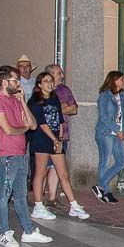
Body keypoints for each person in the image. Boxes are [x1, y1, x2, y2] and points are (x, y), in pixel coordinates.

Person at [0, 65, 53, 247]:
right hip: (5, 154)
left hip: (21, 153)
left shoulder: (16, 100)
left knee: (21, 195)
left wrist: (22, 100)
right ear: (4, 82)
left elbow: (32, 125)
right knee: (4, 194)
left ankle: (28, 230)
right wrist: (23, 128)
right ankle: (4, 233)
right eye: (15, 80)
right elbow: (7, 129)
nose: (18, 83)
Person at [27, 72, 89, 221]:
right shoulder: (35, 101)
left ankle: (74, 205)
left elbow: (60, 120)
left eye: (51, 81)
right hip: (41, 140)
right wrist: (54, 139)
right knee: (41, 173)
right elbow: (41, 123)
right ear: (39, 85)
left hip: (55, 140)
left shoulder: (55, 98)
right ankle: (38, 205)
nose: (50, 83)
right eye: (46, 81)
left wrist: (60, 138)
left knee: (63, 174)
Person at [43, 63, 79, 206]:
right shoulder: (41, 90)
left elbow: (74, 108)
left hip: (63, 133)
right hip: (47, 134)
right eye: (59, 73)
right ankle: (40, 198)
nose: (62, 76)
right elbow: (43, 112)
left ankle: (52, 197)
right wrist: (61, 107)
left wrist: (59, 108)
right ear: (50, 75)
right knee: (44, 166)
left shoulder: (65, 90)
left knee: (56, 167)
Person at [94, 70, 124, 203]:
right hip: (106, 132)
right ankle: (105, 192)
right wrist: (116, 130)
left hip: (118, 134)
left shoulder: (123, 97)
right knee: (105, 161)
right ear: (114, 81)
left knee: (121, 161)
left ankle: (101, 186)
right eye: (122, 79)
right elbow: (103, 117)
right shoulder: (104, 96)